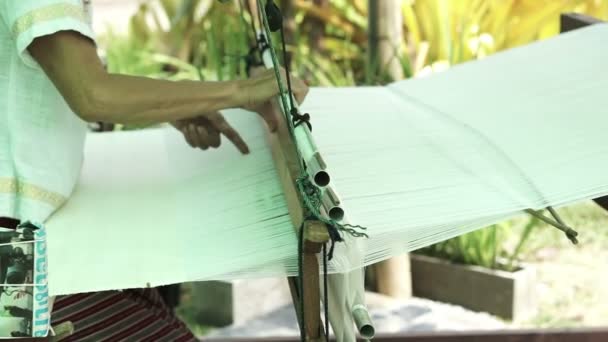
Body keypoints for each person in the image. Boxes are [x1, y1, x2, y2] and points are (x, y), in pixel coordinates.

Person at [0, 0, 308, 340]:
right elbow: (91, 93)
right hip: (12, 249)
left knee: (153, 317)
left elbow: (64, 79)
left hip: (35, 231)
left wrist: (175, 104)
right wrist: (239, 91)